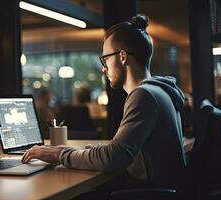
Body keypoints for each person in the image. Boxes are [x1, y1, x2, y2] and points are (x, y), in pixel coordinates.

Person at [22, 14, 186, 197]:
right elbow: (118, 149)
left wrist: (59, 156)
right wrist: (69, 151)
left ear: (122, 57)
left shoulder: (144, 95)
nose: (103, 68)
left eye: (105, 59)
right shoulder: (159, 91)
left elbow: (113, 159)